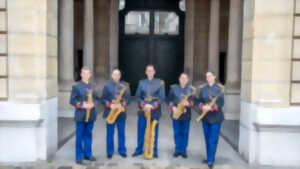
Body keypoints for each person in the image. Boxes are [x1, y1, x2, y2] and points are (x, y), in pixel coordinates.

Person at [132, 64, 165, 158]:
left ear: (154, 72)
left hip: (155, 110)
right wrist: (144, 104)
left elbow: (162, 97)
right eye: (148, 70)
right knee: (141, 131)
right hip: (143, 110)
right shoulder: (141, 83)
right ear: (146, 72)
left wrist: (152, 105)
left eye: (151, 70)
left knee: (154, 131)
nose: (150, 72)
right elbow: (137, 96)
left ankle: (154, 151)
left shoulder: (160, 83)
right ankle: (139, 149)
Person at [69, 66, 100, 164]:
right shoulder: (76, 86)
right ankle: (79, 156)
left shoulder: (93, 86)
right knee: (79, 136)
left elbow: (97, 99)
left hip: (91, 115)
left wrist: (93, 104)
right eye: (84, 73)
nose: (86, 75)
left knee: (89, 135)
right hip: (80, 115)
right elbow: (72, 101)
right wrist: (83, 105)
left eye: (88, 73)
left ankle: (88, 154)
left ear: (90, 75)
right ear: (81, 74)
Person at [196, 71, 225, 169]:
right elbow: (199, 101)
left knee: (213, 139)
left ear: (214, 77)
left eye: (210, 76)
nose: (208, 77)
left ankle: (210, 160)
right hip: (205, 117)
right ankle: (209, 156)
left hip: (216, 117)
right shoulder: (203, 88)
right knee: (207, 138)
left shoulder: (219, 89)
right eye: (207, 76)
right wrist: (202, 106)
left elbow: (221, 103)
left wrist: (211, 108)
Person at [100, 68, 131, 159]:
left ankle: (122, 150)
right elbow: (103, 99)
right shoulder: (106, 86)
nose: (116, 76)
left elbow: (128, 100)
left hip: (121, 113)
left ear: (120, 76)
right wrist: (110, 105)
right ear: (112, 75)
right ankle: (110, 151)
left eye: (118, 74)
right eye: (114, 74)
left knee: (121, 133)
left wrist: (121, 104)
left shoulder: (125, 86)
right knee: (110, 133)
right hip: (110, 113)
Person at [167, 73, 195, 158]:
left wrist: (188, 103)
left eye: (185, 78)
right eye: (182, 78)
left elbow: (194, 102)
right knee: (176, 132)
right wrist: (173, 108)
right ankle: (177, 149)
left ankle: (183, 150)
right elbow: (168, 100)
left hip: (186, 115)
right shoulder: (173, 88)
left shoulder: (191, 89)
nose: (183, 80)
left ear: (187, 80)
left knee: (185, 133)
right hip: (176, 113)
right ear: (179, 79)